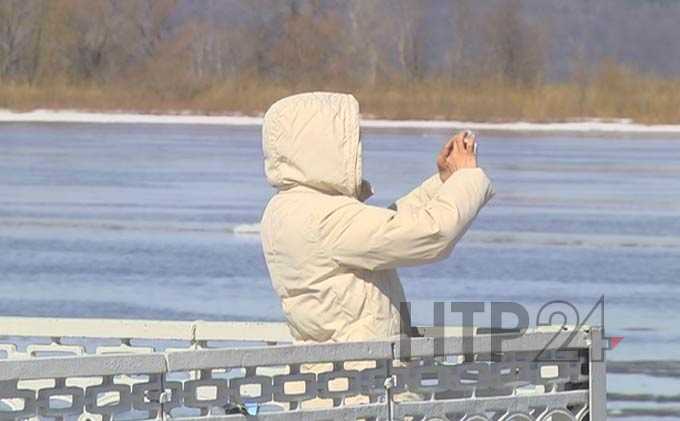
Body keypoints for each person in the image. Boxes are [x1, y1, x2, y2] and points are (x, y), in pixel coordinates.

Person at [261, 91, 494, 344]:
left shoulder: (286, 209)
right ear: (318, 145)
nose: (357, 151)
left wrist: (443, 183)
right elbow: (432, 233)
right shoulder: (325, 218)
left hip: (333, 370)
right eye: (349, 142)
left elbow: (389, 228)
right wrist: (466, 177)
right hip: (360, 372)